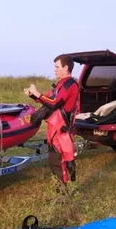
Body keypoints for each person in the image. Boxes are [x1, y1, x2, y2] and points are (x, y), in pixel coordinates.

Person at [24, 54, 80, 184]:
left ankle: (63, 193)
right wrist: (33, 95)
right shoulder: (60, 84)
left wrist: (37, 93)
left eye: (57, 67)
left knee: (61, 161)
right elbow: (48, 100)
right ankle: (62, 190)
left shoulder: (70, 84)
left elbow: (55, 103)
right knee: (56, 161)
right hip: (54, 128)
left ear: (66, 68)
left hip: (62, 130)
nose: (54, 69)